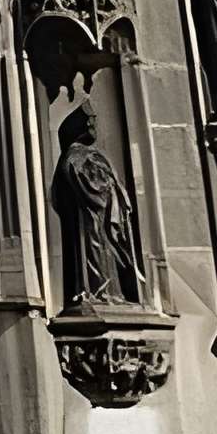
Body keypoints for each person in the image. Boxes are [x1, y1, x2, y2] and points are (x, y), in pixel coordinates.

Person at [50, 100, 142, 310]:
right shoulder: (77, 156)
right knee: (99, 254)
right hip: (93, 223)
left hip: (98, 221)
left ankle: (113, 294)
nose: (95, 127)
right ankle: (103, 293)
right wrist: (109, 184)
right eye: (91, 123)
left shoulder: (83, 155)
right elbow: (95, 189)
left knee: (108, 255)